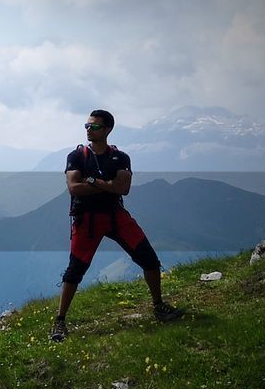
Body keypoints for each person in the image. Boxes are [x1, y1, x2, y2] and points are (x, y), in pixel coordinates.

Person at [51, 109, 183, 341]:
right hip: (87, 219)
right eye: (87, 126)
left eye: (94, 127)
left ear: (108, 129)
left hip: (114, 215)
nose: (89, 130)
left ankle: (158, 306)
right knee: (75, 271)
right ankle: (59, 322)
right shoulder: (77, 155)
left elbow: (124, 188)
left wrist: (92, 181)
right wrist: (106, 184)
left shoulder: (120, 157)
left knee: (149, 259)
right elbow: (74, 187)